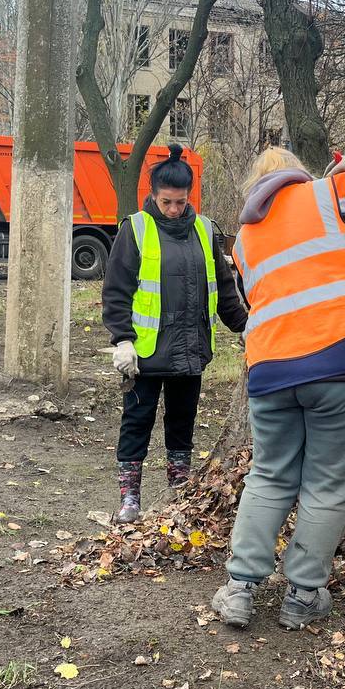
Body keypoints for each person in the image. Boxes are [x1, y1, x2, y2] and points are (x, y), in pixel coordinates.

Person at [210, 146, 345, 630]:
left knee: (268, 475)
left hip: (269, 369)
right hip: (342, 361)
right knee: (326, 483)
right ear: (298, 175)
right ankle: (303, 595)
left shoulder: (244, 236)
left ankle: (240, 589)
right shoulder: (334, 194)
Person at [102, 145, 249, 523]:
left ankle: (178, 490)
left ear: (189, 197)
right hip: (145, 354)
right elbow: (117, 290)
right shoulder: (134, 229)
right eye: (166, 201)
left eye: (180, 202)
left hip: (190, 349)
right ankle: (129, 499)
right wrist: (122, 339)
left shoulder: (203, 229)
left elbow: (223, 287)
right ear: (152, 195)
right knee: (137, 422)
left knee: (182, 423)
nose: (173, 209)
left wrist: (246, 327)